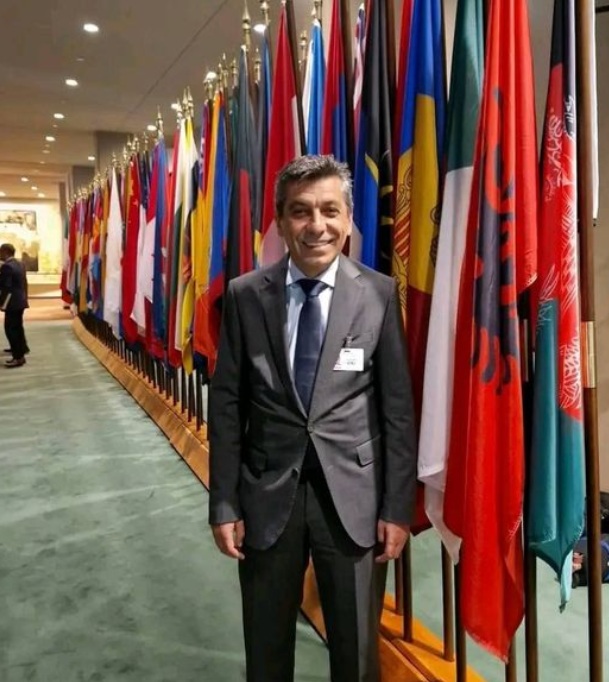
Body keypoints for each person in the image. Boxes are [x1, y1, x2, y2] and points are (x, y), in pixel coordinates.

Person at [209, 155, 417, 682]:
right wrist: (224, 502)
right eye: (301, 211)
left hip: (354, 500)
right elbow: (228, 406)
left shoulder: (378, 294)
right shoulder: (244, 295)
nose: (316, 226)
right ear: (281, 221)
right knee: (266, 649)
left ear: (348, 219)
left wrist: (397, 507)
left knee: (357, 654)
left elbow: (396, 408)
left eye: (329, 210)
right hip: (266, 495)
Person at [0, 243, 30, 368]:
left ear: (5, 252)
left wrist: (2, 304)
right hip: (20, 301)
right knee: (17, 327)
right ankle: (21, 348)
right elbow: (24, 283)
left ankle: (18, 357)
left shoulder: (7, 266)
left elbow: (6, 287)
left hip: (11, 302)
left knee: (10, 329)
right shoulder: (20, 264)